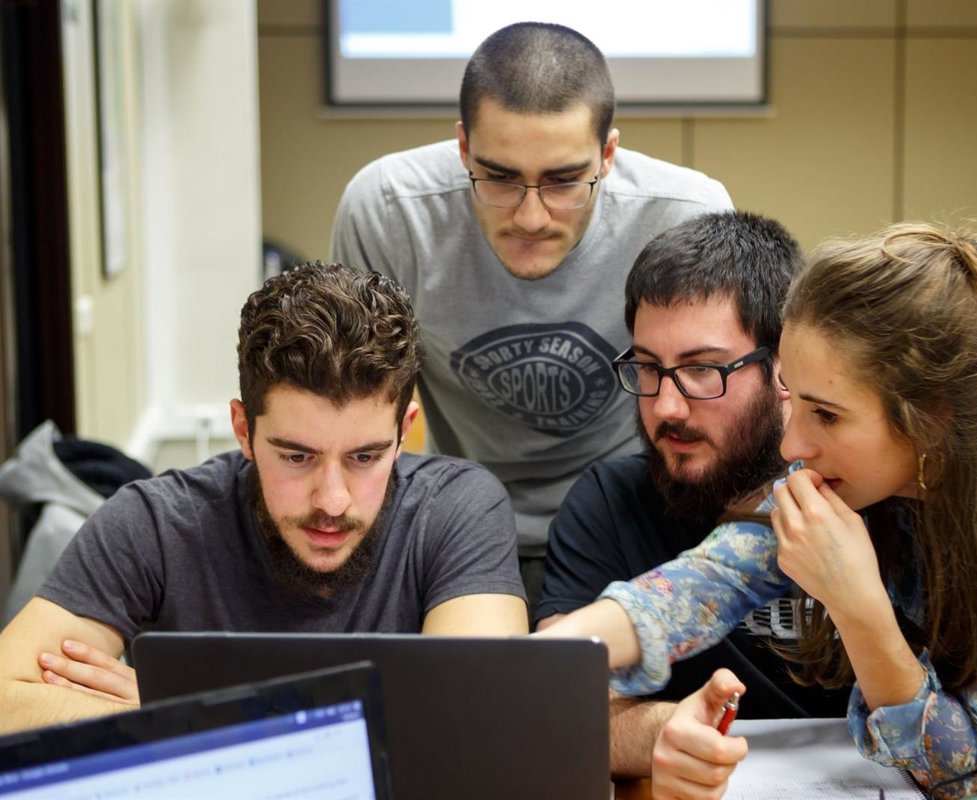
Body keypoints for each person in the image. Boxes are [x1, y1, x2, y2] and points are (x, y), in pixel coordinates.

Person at [543, 222, 977, 799]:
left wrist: (857, 606)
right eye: (794, 399)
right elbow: (711, 580)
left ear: (929, 420)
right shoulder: (874, 457)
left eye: (827, 415)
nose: (793, 447)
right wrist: (544, 659)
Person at [0, 263, 527, 734]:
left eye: (365, 457)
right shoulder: (154, 523)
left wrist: (186, 714)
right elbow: (6, 702)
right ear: (243, 430)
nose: (333, 500)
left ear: (403, 431)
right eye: (297, 457)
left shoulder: (459, 510)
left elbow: (479, 719)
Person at [331, 22, 732, 614]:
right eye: (499, 178)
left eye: (564, 181)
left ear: (608, 155)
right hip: (458, 519)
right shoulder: (391, 214)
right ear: (463, 147)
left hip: (634, 515)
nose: (531, 217)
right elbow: (349, 411)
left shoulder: (684, 215)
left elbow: (722, 406)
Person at [534, 211, 849, 777]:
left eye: (703, 369)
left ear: (786, 366)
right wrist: (661, 732)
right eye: (648, 367)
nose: (666, 407)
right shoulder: (609, 500)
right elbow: (553, 699)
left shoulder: (856, 490)